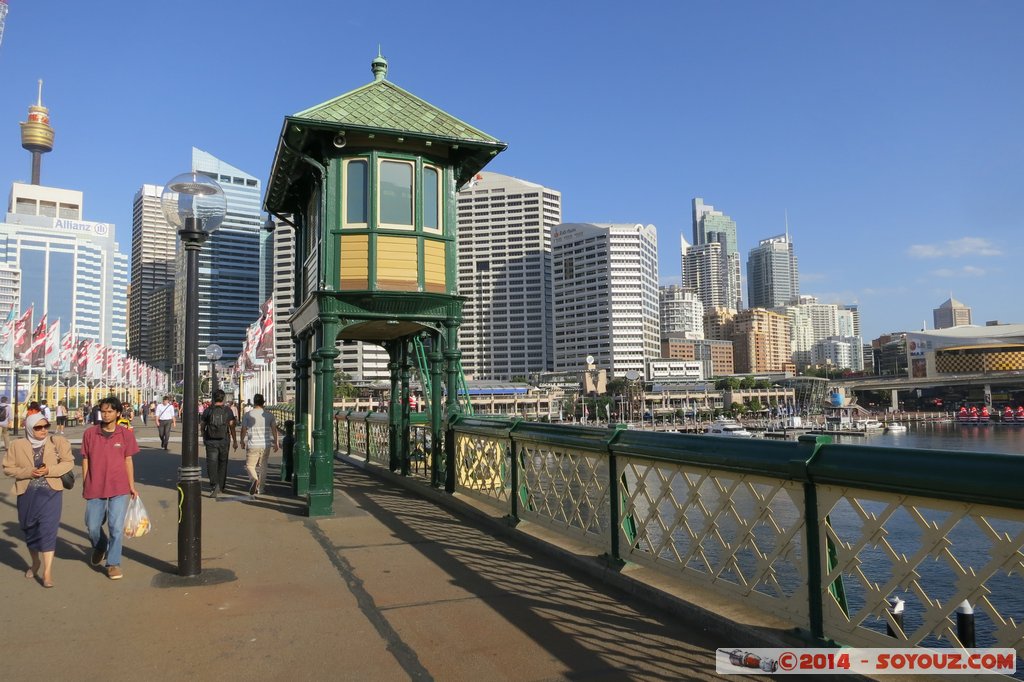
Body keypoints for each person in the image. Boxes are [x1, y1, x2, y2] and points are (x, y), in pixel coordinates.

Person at [2, 412, 75, 588]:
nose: (43, 430)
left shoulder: (57, 442)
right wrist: (28, 472)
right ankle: (35, 562)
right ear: (29, 428)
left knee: (48, 528)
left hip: (51, 492)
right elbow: (8, 468)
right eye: (38, 427)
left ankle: (47, 572)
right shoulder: (17, 445)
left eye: (45, 426)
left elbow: (68, 463)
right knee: (29, 528)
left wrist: (49, 470)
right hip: (27, 493)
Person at [81, 396, 139, 581]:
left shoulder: (125, 434)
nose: (106, 415)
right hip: (95, 484)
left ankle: (113, 563)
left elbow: (128, 460)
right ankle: (100, 546)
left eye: (110, 411)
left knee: (115, 527)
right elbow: (85, 459)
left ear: (118, 413)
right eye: (103, 411)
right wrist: (85, 481)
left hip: (119, 485)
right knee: (92, 526)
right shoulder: (90, 434)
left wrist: (132, 485)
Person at [240, 393, 279, 496]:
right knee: (263, 466)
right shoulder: (269, 415)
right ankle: (260, 488)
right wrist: (276, 442)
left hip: (253, 444)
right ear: (263, 402)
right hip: (266, 444)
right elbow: (274, 430)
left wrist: (241, 441)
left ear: (254, 402)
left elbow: (243, 429)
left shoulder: (248, 415)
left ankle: (254, 479)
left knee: (250, 465)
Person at [201, 389, 237, 498]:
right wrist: (235, 440)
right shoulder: (228, 410)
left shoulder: (208, 410)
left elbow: (202, 426)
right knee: (223, 463)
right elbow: (232, 426)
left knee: (211, 463)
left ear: (213, 398)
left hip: (211, 440)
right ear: (223, 398)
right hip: (224, 440)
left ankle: (214, 485)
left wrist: (204, 436)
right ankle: (221, 486)